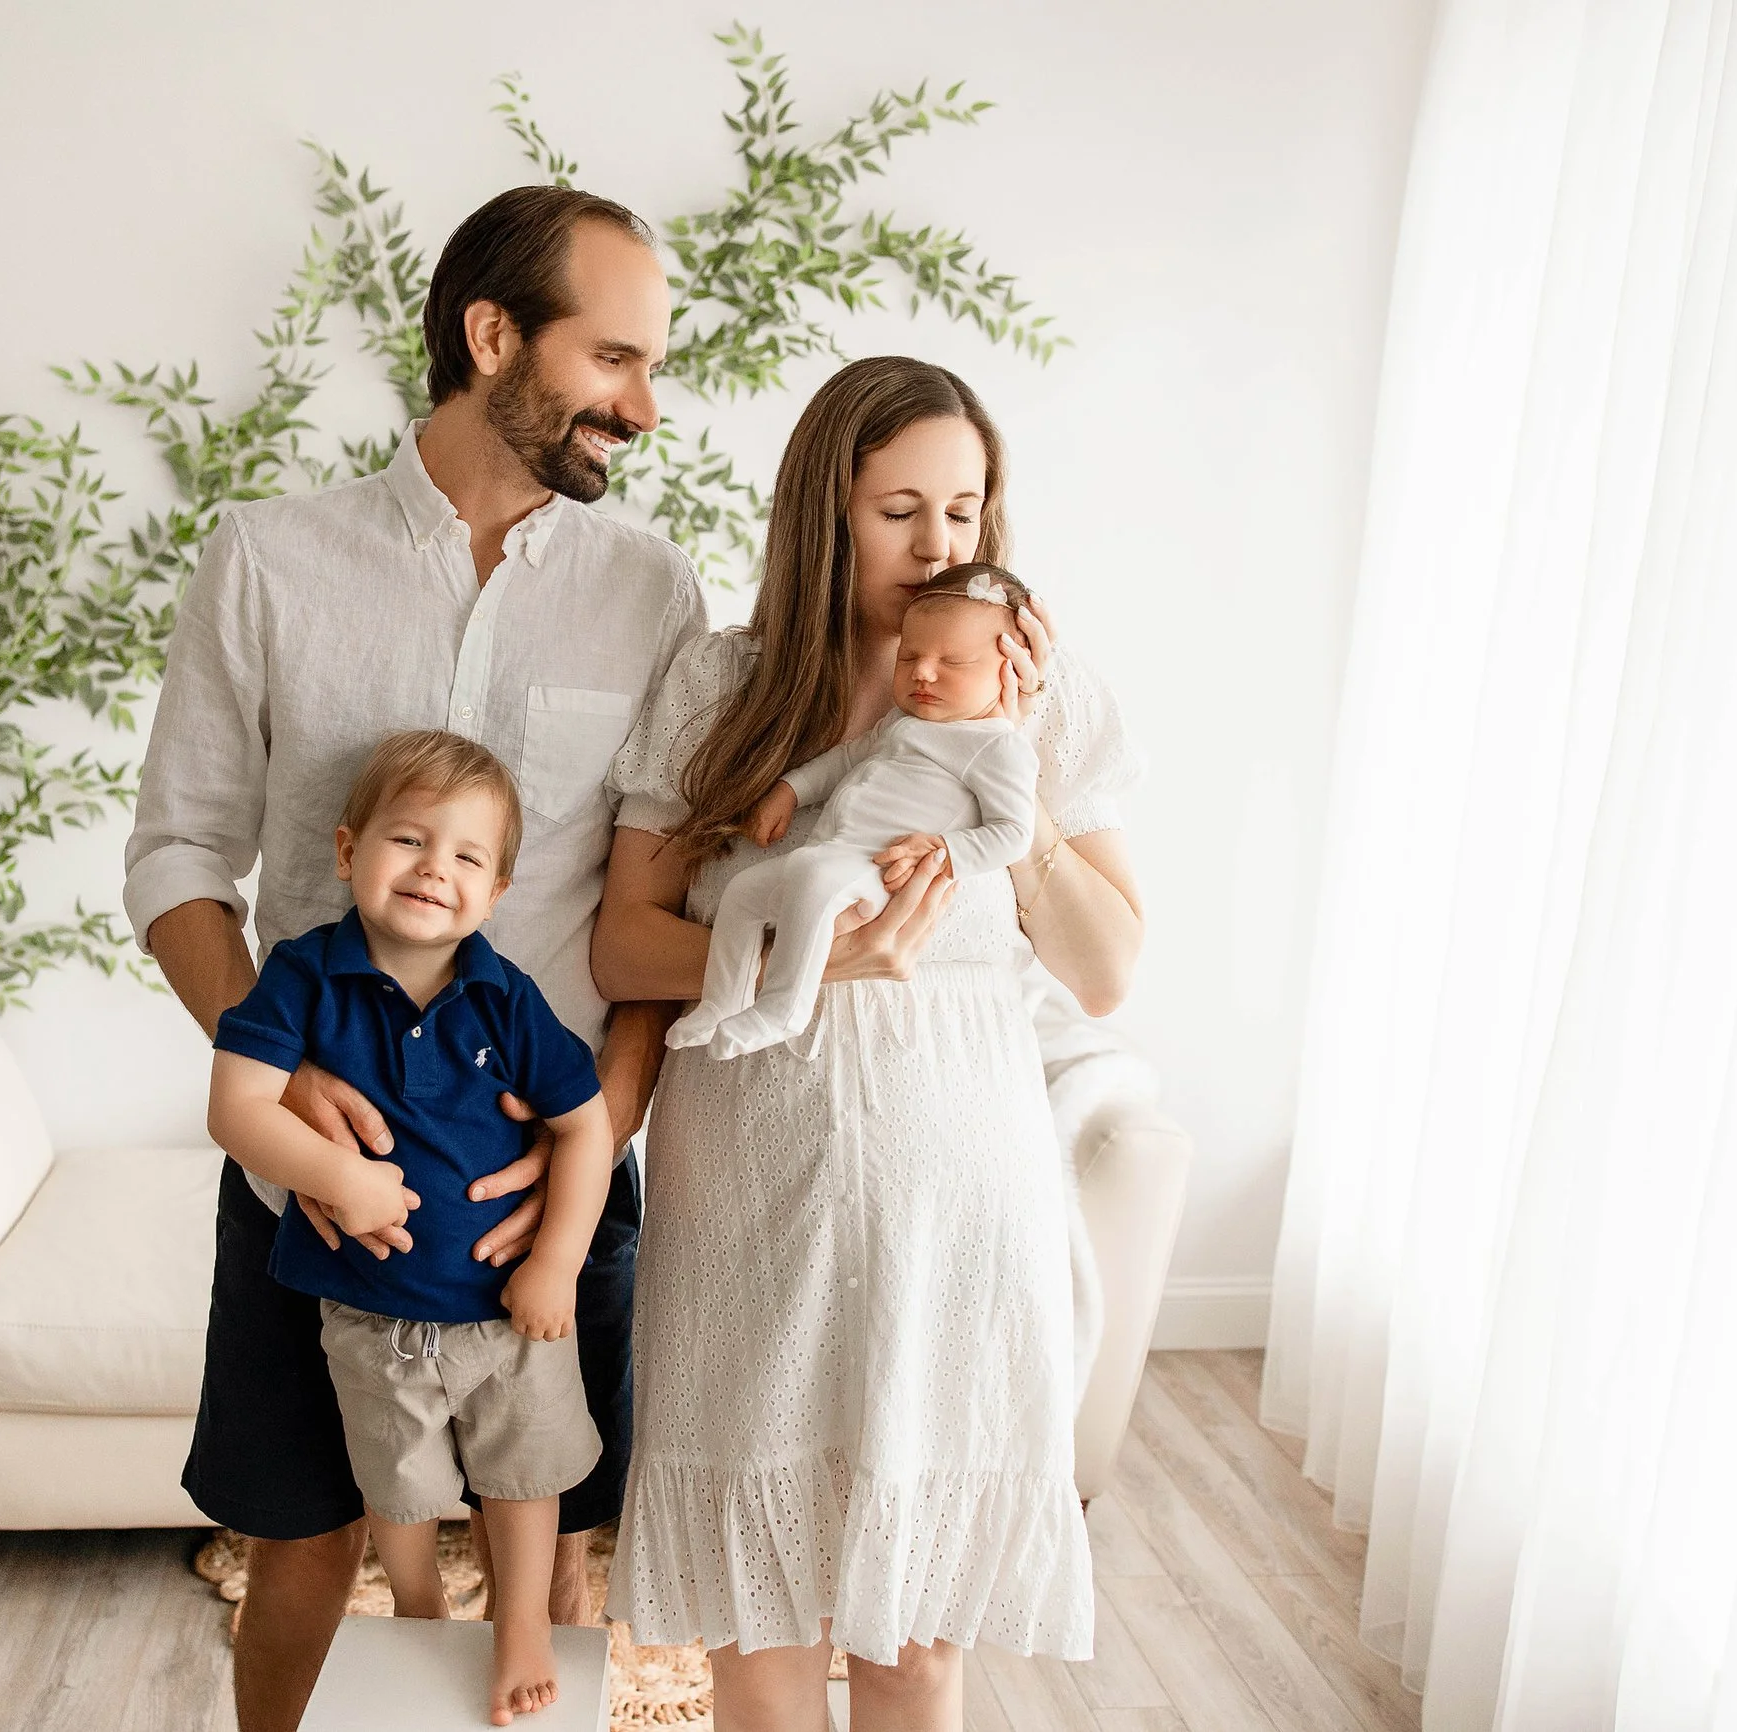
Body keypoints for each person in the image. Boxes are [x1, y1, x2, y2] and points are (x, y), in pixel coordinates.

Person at [122, 183, 705, 1732]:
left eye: (651, 368)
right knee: (302, 1543)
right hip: (306, 1189)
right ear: (493, 335)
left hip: (547, 1189)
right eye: (615, 360)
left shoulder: (651, 592)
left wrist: (596, 1142)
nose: (644, 409)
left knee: (553, 1554)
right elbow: (177, 858)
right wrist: (277, 1079)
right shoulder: (268, 559)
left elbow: (655, 914)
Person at [593, 356, 1146, 1732]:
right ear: (823, 514)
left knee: (916, 1644)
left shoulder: (1044, 697)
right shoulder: (724, 685)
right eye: (900, 511)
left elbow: (1104, 971)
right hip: (750, 1196)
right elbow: (623, 946)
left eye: (965, 511)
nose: (939, 547)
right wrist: (813, 959)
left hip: (956, 1203)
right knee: (760, 1630)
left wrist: (1013, 770)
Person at [207, 731, 618, 1725]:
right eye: (408, 840)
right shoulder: (303, 976)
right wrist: (340, 1178)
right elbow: (237, 1107)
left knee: (525, 1473)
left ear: (498, 889)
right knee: (393, 1480)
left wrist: (557, 1262)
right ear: (347, 851)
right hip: (370, 1313)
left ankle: (521, 1622)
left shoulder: (508, 997)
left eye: (467, 856)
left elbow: (586, 1126)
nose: (436, 868)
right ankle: (419, 1600)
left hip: (508, 1313)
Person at [667, 564, 1044, 1059]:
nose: (923, 672)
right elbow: (846, 759)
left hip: (878, 870)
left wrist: (945, 851)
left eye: (953, 661)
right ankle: (720, 1002)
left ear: (1009, 668)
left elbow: (1013, 832)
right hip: (835, 855)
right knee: (744, 894)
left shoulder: (996, 746)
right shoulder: (902, 722)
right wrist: (789, 790)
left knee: (810, 874)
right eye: (909, 656)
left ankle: (783, 1008)